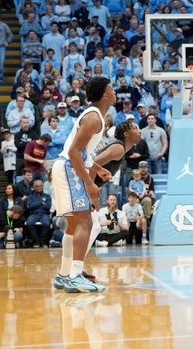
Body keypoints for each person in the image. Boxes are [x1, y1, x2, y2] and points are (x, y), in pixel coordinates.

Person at [51, 76, 115, 293]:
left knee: (73, 224)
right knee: (85, 221)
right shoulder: (94, 118)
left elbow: (79, 150)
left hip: (66, 167)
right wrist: (89, 183)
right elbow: (73, 151)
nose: (114, 92)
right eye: (112, 89)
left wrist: (96, 168)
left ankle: (64, 274)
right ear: (106, 95)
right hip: (69, 168)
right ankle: (76, 276)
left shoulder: (95, 116)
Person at [94, 120, 144, 241]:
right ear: (126, 133)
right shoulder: (118, 148)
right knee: (87, 227)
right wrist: (91, 186)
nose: (140, 131)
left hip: (83, 183)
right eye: (135, 128)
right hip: (80, 183)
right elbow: (91, 164)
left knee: (87, 227)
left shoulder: (120, 149)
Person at [25, 179, 52, 247]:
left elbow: (48, 206)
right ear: (34, 187)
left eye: (40, 186)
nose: (39, 187)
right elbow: (30, 206)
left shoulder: (47, 196)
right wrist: (41, 202)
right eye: (37, 186)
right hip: (33, 214)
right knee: (29, 223)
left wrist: (36, 204)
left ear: (43, 186)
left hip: (44, 214)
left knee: (46, 223)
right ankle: (36, 241)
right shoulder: (30, 196)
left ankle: (43, 241)